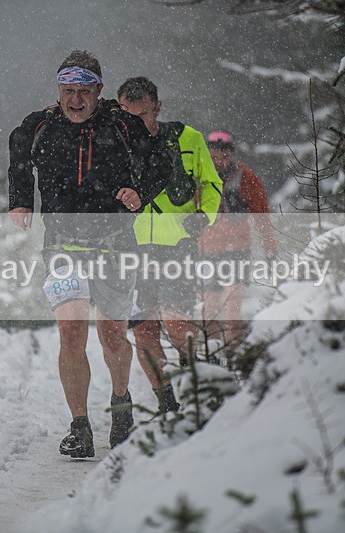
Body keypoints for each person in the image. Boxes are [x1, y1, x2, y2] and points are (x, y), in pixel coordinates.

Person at [8, 51, 170, 458]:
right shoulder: (40, 124)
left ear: (99, 90)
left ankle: (120, 405)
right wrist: (20, 200)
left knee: (112, 336)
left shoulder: (123, 125)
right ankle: (79, 427)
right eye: (68, 91)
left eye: (83, 91)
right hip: (62, 247)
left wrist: (140, 192)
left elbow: (162, 164)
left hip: (115, 246)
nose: (75, 100)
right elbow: (18, 155)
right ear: (59, 90)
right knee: (71, 331)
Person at [117, 77, 222, 414]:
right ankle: (167, 403)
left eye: (143, 115)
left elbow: (211, 183)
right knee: (144, 331)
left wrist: (204, 216)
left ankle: (198, 388)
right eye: (127, 115)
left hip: (176, 245)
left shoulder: (187, 139)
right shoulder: (112, 144)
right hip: (131, 249)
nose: (135, 123)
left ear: (158, 108)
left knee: (176, 320)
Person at [198, 130, 278, 347]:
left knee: (233, 304)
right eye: (214, 156)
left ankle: (233, 351)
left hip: (238, 250)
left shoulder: (245, 177)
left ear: (231, 153)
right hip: (207, 252)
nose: (219, 161)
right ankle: (212, 353)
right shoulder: (199, 177)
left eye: (223, 156)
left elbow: (262, 214)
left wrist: (270, 248)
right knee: (211, 306)